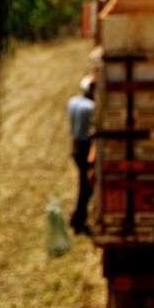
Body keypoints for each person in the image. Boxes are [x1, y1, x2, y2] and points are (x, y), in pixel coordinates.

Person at [67, 74, 96, 234]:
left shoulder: (72, 102)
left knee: (83, 183)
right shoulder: (90, 107)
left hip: (75, 146)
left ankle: (77, 217)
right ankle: (78, 219)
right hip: (86, 147)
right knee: (86, 185)